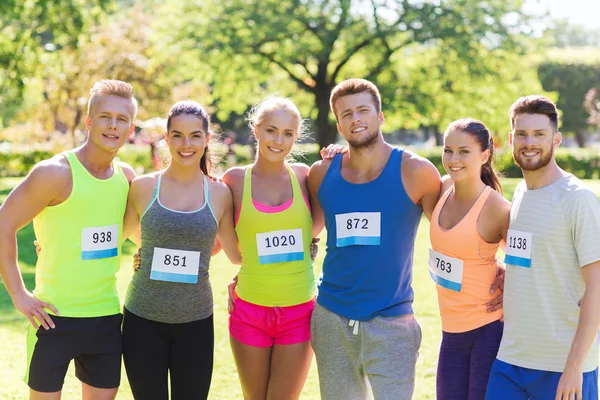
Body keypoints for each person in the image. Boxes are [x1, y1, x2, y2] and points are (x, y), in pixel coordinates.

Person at [0, 80, 137, 399]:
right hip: (53, 318)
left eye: (122, 119)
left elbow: (135, 232)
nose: (113, 125)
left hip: (105, 318)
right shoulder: (55, 173)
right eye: (105, 116)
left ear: (130, 127)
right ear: (89, 121)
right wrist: (20, 294)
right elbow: (3, 223)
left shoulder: (127, 178)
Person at [307, 78, 441, 400]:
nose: (356, 119)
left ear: (380, 116)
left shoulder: (417, 172)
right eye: (347, 114)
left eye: (363, 110)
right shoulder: (321, 174)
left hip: (392, 322)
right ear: (338, 124)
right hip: (331, 319)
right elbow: (307, 234)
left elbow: (449, 233)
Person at [121, 100, 240, 400]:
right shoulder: (144, 187)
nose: (186, 144)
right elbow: (116, 236)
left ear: (206, 139)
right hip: (142, 320)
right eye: (177, 135)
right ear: (166, 137)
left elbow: (235, 253)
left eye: (195, 136)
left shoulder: (219, 193)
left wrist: (305, 242)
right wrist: (55, 241)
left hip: (196, 323)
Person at [485, 95, 600, 400]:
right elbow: (530, 255)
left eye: (539, 134)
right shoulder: (521, 192)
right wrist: (506, 273)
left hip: (563, 366)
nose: (529, 142)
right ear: (510, 139)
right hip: (512, 359)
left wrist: (575, 366)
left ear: (556, 140)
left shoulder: (577, 199)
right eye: (522, 134)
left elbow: (597, 288)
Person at [222, 96, 322, 400]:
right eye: (271, 131)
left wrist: (334, 154)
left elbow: (316, 231)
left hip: (299, 313)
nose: (279, 141)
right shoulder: (234, 181)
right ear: (256, 129)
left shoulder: (306, 178)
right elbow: (236, 254)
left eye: (288, 134)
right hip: (250, 311)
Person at [430, 118, 509, 400]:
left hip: (487, 331)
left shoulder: (497, 208)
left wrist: (509, 277)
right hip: (450, 331)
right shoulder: (439, 190)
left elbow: (525, 261)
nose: (454, 159)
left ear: (485, 155)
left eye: (464, 151)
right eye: (448, 150)